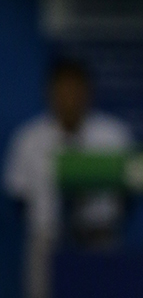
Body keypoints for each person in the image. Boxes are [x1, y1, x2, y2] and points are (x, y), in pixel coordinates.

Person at [4, 59, 134, 298]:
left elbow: (129, 195)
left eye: (75, 89)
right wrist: (47, 224)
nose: (69, 98)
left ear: (88, 92)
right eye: (63, 90)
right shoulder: (29, 139)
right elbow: (19, 198)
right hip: (48, 241)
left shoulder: (112, 136)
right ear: (49, 93)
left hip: (99, 238)